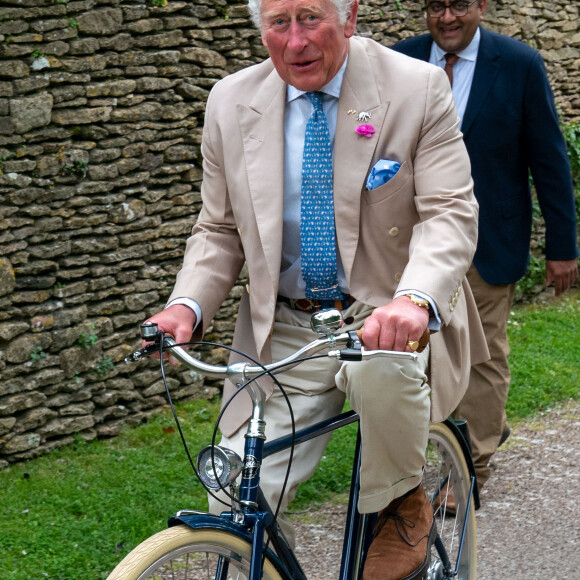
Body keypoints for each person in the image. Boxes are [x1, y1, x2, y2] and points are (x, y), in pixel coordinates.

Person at [144, 0, 488, 577]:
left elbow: (450, 212)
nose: (296, 41)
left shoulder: (417, 87)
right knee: (233, 494)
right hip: (286, 328)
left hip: (384, 314)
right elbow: (219, 228)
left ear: (350, 15)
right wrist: (187, 303)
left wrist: (414, 298)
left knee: (383, 370)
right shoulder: (230, 101)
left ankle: (402, 504)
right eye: (280, 23)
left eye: (311, 18)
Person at [392, 0, 579, 492]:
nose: (447, 17)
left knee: (482, 354)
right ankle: (462, 438)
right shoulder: (402, 61)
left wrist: (563, 247)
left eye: (459, 4)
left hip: (489, 238)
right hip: (414, 244)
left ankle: (470, 469)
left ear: (481, 7)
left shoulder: (518, 65)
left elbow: (550, 160)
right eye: (436, 5)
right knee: (416, 354)